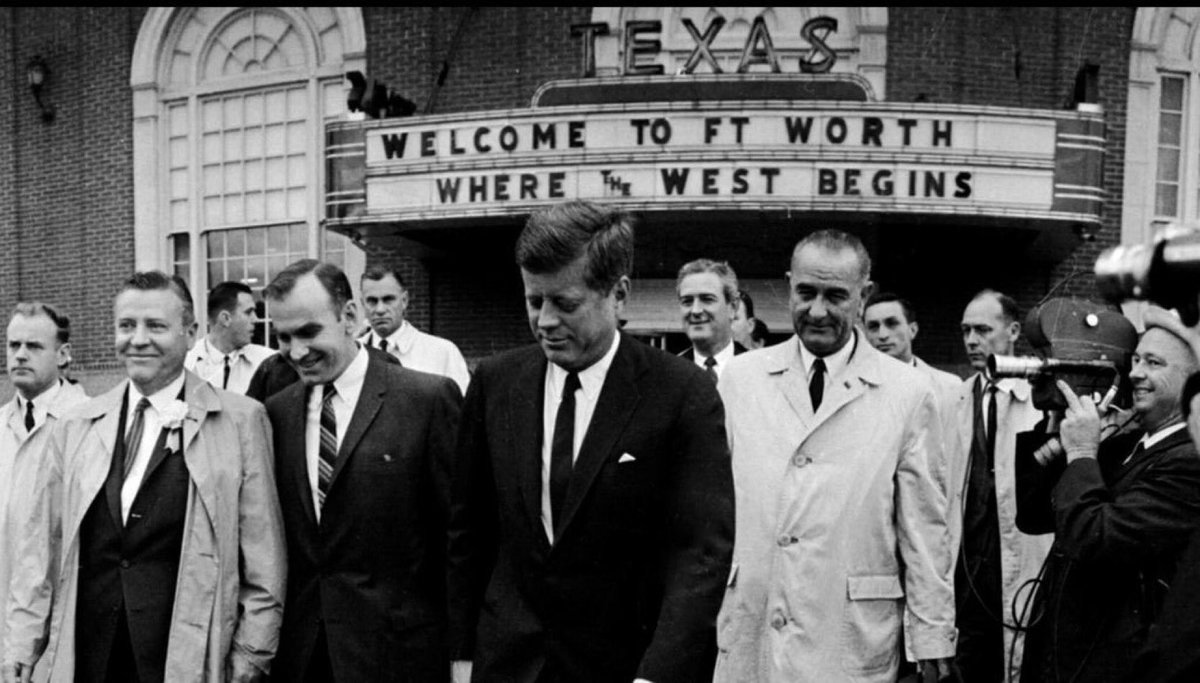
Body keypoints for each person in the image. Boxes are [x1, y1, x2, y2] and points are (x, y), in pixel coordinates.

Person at [447, 200, 734, 683]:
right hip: (508, 665)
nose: (545, 321)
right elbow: (468, 533)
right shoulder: (496, 383)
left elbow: (700, 554)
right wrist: (462, 660)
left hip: (624, 667)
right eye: (534, 301)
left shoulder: (682, 393)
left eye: (566, 303)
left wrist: (655, 675)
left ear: (618, 295)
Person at [3, 272, 286, 683]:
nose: (138, 339)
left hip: (187, 655)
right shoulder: (76, 425)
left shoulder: (240, 420)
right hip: (90, 653)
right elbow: (40, 549)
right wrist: (22, 646)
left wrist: (252, 654)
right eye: (126, 326)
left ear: (190, 333)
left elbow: (264, 558)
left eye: (155, 326)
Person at [713, 230, 955, 682]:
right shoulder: (740, 380)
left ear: (863, 297)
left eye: (835, 296)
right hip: (754, 630)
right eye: (805, 293)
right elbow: (711, 514)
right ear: (789, 286)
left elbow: (925, 530)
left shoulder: (908, 392)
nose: (817, 311)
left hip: (848, 638)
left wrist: (933, 634)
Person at [262, 259, 462, 682]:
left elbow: (457, 540)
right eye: (283, 337)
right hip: (302, 658)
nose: (296, 352)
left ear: (350, 316)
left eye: (309, 332)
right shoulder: (276, 413)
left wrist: (462, 655)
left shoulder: (425, 400)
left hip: (400, 657)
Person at [1015, 308, 1200, 682]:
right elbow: (1034, 514)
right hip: (1064, 658)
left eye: (1153, 363)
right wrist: (1057, 426)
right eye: (1134, 360)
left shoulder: (1188, 463)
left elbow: (1095, 537)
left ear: (1191, 379)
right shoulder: (1127, 443)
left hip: (1112, 669)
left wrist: (1083, 453)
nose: (1135, 373)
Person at [954, 290, 1051, 682]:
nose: (972, 340)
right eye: (965, 331)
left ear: (1012, 331)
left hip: (1022, 563)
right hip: (967, 573)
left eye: (982, 330)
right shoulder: (956, 399)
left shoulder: (1041, 400)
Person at [0, 304, 89, 665]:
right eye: (13, 345)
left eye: (34, 347)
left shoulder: (87, 424)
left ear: (63, 354)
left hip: (61, 625)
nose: (20, 355)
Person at [358, 266, 470, 395]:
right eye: (372, 301)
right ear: (362, 304)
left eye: (388, 299)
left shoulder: (442, 352)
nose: (380, 310)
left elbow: (461, 410)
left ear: (404, 300)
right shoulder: (355, 355)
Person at [184, 281, 273, 394]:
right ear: (225, 318)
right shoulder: (186, 362)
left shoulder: (266, 362)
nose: (255, 319)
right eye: (248, 312)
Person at [677, 259, 745, 381]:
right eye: (687, 301)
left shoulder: (757, 369)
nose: (695, 310)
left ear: (733, 307)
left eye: (707, 299)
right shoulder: (668, 374)